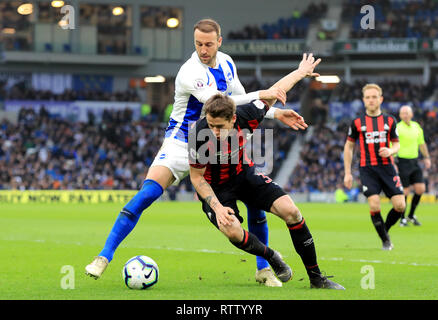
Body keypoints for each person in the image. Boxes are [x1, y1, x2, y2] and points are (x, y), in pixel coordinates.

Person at [85, 18, 300, 286]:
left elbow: (239, 103)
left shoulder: (227, 63)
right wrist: (264, 92)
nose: (203, 49)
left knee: (253, 201)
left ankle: (263, 269)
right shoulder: (189, 72)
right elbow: (216, 102)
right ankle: (103, 257)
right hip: (181, 141)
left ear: (219, 42)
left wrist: (275, 112)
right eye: (198, 43)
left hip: (218, 141)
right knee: (148, 193)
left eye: (209, 44)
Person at [189, 55, 345, 290]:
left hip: (244, 175)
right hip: (217, 188)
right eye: (211, 126)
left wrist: (301, 71)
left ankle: (316, 278)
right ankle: (271, 256)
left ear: (233, 119)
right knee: (232, 230)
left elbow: (275, 91)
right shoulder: (198, 134)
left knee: (291, 211)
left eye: (220, 127)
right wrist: (218, 208)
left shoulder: (247, 115)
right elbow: (197, 177)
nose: (214, 131)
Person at [343, 83, 406, 250]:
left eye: (374, 97)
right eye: (368, 97)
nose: (371, 100)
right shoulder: (357, 123)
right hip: (367, 168)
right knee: (374, 204)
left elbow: (397, 144)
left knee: (400, 205)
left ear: (381, 99)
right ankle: (385, 240)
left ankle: (384, 230)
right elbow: (348, 147)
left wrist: (391, 150)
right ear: (364, 100)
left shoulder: (390, 120)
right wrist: (347, 173)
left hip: (387, 167)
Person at [396, 105, 431, 227]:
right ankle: (402, 218)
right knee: (405, 191)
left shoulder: (416, 127)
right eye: (403, 113)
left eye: (407, 112)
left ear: (411, 114)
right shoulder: (397, 128)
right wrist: (392, 162)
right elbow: (391, 144)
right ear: (400, 115)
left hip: (414, 162)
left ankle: (411, 215)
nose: (405, 115)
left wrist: (426, 157)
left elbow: (422, 143)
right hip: (402, 161)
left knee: (420, 189)